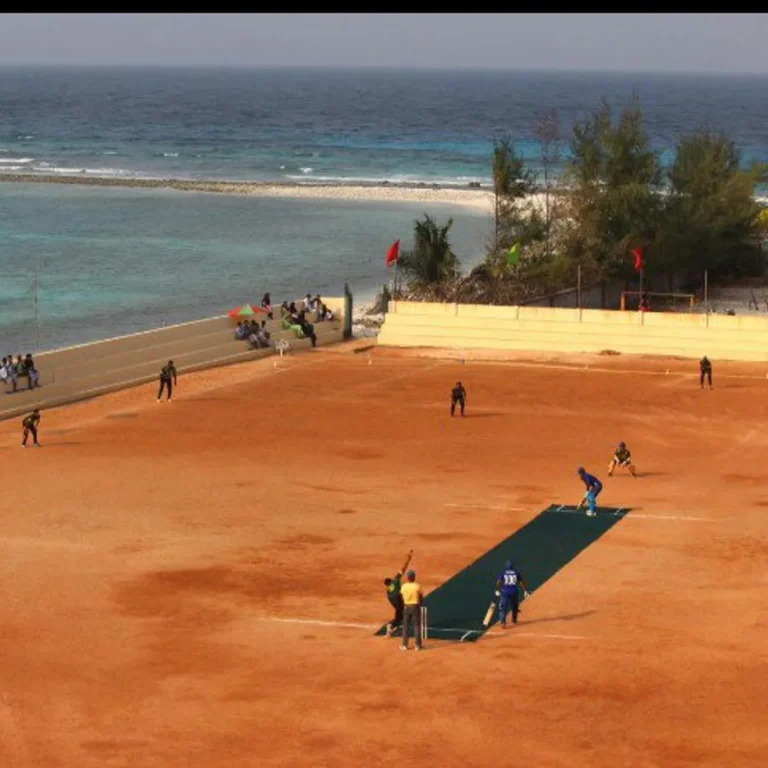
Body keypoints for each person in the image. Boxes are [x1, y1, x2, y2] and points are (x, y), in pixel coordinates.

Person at [384, 549, 413, 638]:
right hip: (397, 597)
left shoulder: (388, 590)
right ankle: (400, 627)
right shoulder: (395, 580)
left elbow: (390, 598)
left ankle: (391, 627)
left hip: (392, 599)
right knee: (407, 611)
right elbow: (403, 569)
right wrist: (408, 560)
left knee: (399, 615)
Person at [495, 560, 530, 628]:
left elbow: (498, 582)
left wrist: (497, 590)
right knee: (514, 607)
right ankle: (514, 620)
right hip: (514, 592)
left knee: (503, 607)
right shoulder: (516, 573)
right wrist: (525, 590)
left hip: (505, 592)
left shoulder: (503, 572)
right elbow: (521, 582)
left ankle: (503, 622)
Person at [400, 569, 423, 652]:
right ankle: (418, 646)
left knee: (406, 626)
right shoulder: (417, 586)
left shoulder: (404, 586)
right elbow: (421, 597)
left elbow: (402, 597)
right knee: (417, 626)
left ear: (408, 578)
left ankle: (405, 645)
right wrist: (420, 604)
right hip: (415, 606)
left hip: (406, 607)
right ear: (414, 577)